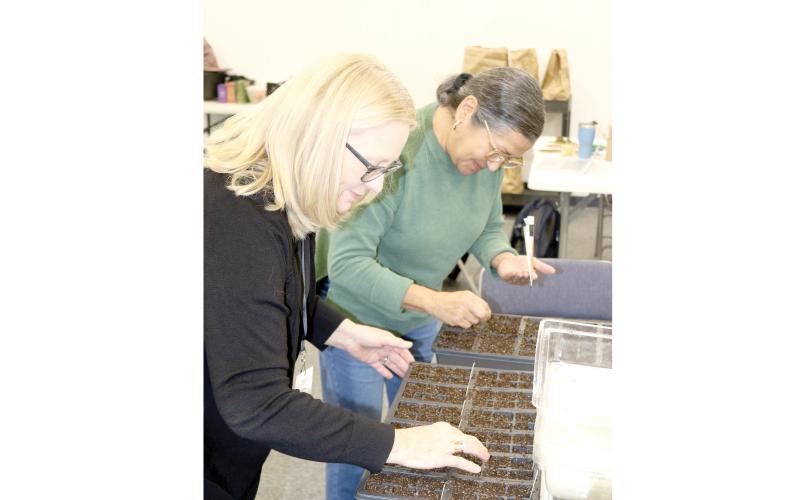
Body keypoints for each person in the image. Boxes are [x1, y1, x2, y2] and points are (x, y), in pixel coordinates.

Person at [204, 54, 490, 500]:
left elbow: (272, 293)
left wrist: (340, 331)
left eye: (386, 170)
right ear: (320, 137)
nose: (375, 187)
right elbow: (254, 404)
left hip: (231, 456)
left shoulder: (281, 191)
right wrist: (396, 442)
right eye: (371, 167)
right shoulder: (235, 217)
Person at [316, 67, 556, 499]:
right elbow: (348, 264)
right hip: (357, 324)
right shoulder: (398, 151)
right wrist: (435, 301)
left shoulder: (485, 157)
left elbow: (485, 225)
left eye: (508, 160)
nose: (495, 165)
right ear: (467, 110)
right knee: (358, 449)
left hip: (421, 319)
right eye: (497, 151)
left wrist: (503, 260)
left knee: (422, 438)